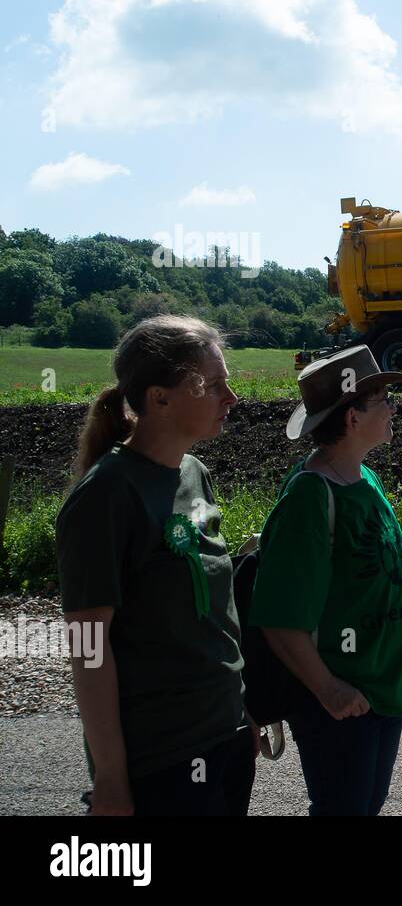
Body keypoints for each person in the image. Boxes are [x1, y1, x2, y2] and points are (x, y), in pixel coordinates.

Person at [57, 314, 253, 816]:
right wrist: (111, 777)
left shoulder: (194, 473)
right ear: (159, 398)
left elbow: (215, 608)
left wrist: (244, 710)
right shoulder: (105, 496)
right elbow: (88, 648)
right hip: (161, 756)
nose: (230, 398)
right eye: (212, 385)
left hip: (225, 736)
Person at [250, 345, 402, 816]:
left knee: (363, 808)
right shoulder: (311, 496)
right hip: (343, 701)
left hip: (382, 691)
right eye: (383, 400)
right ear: (351, 417)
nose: (393, 408)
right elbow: (280, 616)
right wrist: (328, 688)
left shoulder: (364, 477)